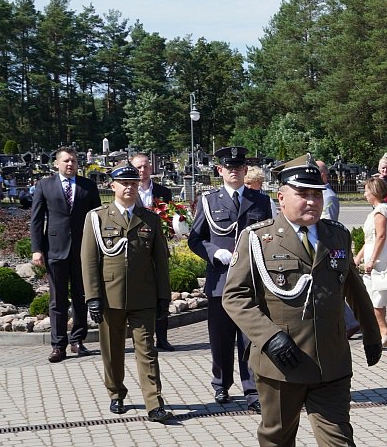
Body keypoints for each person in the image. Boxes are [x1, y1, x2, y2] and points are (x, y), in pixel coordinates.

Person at [222, 161, 387, 447]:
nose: (312, 201)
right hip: (281, 362)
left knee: (338, 435)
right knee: (277, 434)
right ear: (282, 198)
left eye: (316, 194)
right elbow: (235, 297)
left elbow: (353, 288)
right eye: (303, 194)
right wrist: (268, 336)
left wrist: (372, 332)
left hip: (329, 359)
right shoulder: (258, 238)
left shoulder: (336, 236)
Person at [81, 163, 173, 423]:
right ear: (113, 186)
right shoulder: (97, 218)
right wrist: (93, 297)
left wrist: (163, 296)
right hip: (110, 297)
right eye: (124, 183)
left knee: (147, 350)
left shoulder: (150, 219)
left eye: (134, 183)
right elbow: (88, 260)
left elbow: (160, 262)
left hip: (144, 296)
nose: (129, 187)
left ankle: (154, 403)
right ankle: (116, 393)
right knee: (112, 350)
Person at [187, 145, 272, 411]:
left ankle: (253, 389)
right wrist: (214, 253)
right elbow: (195, 239)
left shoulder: (261, 201)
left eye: (239, 168)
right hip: (221, 282)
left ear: (246, 170)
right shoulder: (209, 200)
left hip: (251, 282)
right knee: (221, 338)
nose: (234, 172)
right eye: (229, 168)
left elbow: (270, 237)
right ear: (220, 171)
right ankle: (221, 385)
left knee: (250, 338)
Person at [31, 146, 102, 363]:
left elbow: (97, 218)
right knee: (57, 300)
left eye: (73, 161)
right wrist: (37, 249)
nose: (70, 164)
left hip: (83, 251)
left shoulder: (87, 186)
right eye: (66, 161)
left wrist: (99, 247)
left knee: (81, 297)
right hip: (55, 250)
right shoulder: (44, 185)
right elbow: (36, 219)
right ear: (57, 164)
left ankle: (78, 341)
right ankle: (58, 345)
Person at [131, 152, 176, 351]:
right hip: (137, 249)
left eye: (146, 166)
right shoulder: (129, 191)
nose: (142, 170)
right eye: (138, 167)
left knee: (162, 290)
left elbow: (172, 217)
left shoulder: (163, 192)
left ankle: (163, 337)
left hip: (158, 246)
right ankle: (142, 337)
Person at [354, 176, 387, 346]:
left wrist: (371, 260)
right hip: (375, 258)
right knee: (375, 297)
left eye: (366, 190)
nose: (364, 194)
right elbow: (370, 239)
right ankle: (383, 331)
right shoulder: (380, 209)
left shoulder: (381, 211)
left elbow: (380, 236)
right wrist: (358, 258)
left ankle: (385, 331)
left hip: (379, 261)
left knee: (375, 298)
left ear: (373, 191)